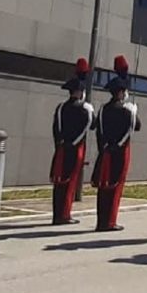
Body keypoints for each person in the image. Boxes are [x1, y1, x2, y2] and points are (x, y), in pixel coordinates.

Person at [91, 55, 140, 231]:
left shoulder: (103, 109)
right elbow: (137, 127)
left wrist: (103, 148)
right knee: (115, 186)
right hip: (120, 151)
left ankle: (101, 220)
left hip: (105, 151)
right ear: (120, 93)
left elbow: (98, 130)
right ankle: (110, 221)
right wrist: (134, 111)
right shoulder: (126, 111)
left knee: (103, 187)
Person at [50, 58, 94, 225]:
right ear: (79, 92)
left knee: (59, 181)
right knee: (69, 182)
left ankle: (57, 213)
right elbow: (91, 126)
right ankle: (64, 214)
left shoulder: (61, 107)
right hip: (75, 148)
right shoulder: (84, 109)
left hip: (61, 147)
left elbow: (55, 129)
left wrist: (60, 144)